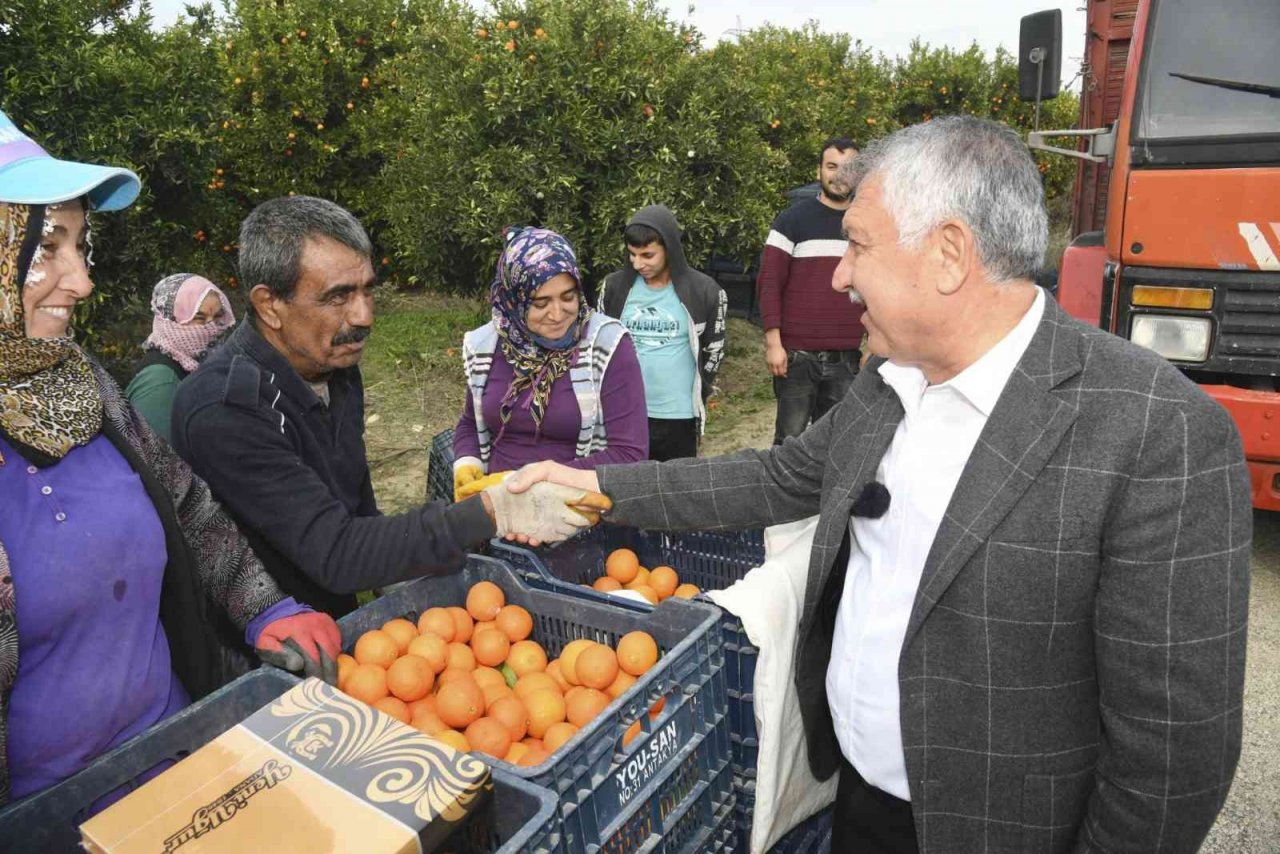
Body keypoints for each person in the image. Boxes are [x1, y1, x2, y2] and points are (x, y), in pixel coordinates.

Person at [505, 116, 1250, 852]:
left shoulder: (1160, 435)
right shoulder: (889, 381)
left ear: (949, 254)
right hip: (855, 797)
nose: (839, 274)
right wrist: (592, 486)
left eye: (858, 244)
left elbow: (1171, 756)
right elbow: (773, 476)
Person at [0, 109, 343, 806]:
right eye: (44, 248)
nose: (81, 282)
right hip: (43, 816)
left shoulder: (79, 381)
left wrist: (263, 608)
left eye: (80, 247)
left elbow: (186, 504)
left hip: (178, 758)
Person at [172, 196, 608, 618]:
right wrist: (492, 511)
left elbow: (357, 508)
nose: (363, 316)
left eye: (367, 290)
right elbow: (337, 551)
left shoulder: (334, 366)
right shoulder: (226, 411)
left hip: (337, 623)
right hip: (261, 658)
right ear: (270, 305)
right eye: (338, 297)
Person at [452, 227, 647, 501]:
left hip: (577, 507)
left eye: (568, 297)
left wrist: (534, 481)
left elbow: (629, 454)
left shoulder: (607, 346)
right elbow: (470, 424)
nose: (557, 314)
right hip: (495, 502)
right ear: (514, 301)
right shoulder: (486, 345)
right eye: (540, 303)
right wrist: (467, 462)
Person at [757, 136, 866, 444]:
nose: (838, 175)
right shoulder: (792, 220)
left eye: (848, 168)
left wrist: (872, 345)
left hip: (847, 360)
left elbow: (878, 288)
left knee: (837, 444)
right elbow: (769, 283)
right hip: (797, 358)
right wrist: (773, 343)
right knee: (788, 443)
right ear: (819, 169)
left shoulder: (866, 224)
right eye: (831, 166)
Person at [597, 204, 726, 461]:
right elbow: (597, 344)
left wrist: (702, 389)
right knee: (623, 491)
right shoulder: (613, 288)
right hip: (623, 413)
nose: (637, 263)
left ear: (669, 249)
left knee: (673, 493)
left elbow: (715, 350)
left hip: (678, 416)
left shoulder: (705, 291)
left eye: (647, 255)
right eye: (632, 255)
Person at [124, 273, 235, 443]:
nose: (211, 328)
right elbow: (157, 459)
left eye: (218, 317)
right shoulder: (160, 381)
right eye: (199, 318)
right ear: (170, 321)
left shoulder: (193, 366)